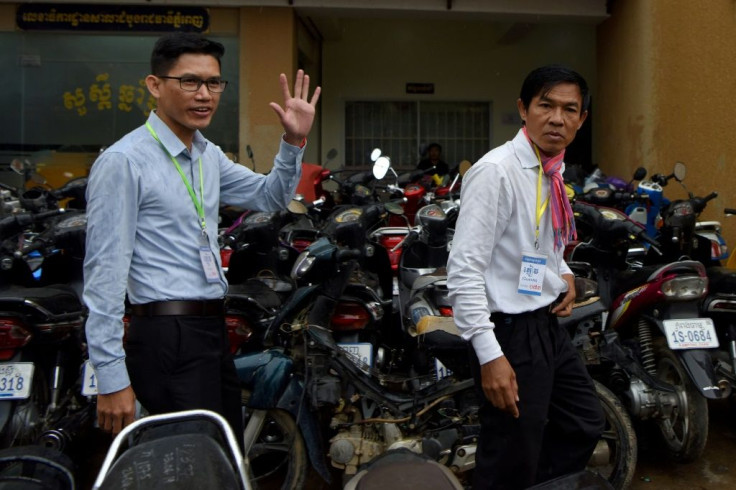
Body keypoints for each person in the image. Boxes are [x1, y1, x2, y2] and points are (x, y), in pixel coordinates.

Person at [83, 32, 320, 438]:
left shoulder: (206, 155)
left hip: (211, 330)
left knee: (218, 455)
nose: (204, 94)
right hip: (163, 335)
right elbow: (104, 274)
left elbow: (271, 195)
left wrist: (293, 141)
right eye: (189, 82)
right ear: (155, 85)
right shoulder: (124, 162)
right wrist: (110, 375)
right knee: (180, 463)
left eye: (213, 83)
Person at [446, 65, 604, 489]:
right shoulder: (495, 171)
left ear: (582, 118)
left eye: (570, 109)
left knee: (584, 422)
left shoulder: (550, 169)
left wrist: (564, 271)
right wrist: (490, 355)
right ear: (523, 108)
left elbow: (539, 241)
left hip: (546, 325)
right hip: (510, 333)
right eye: (546, 105)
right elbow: (463, 270)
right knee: (511, 453)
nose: (557, 118)